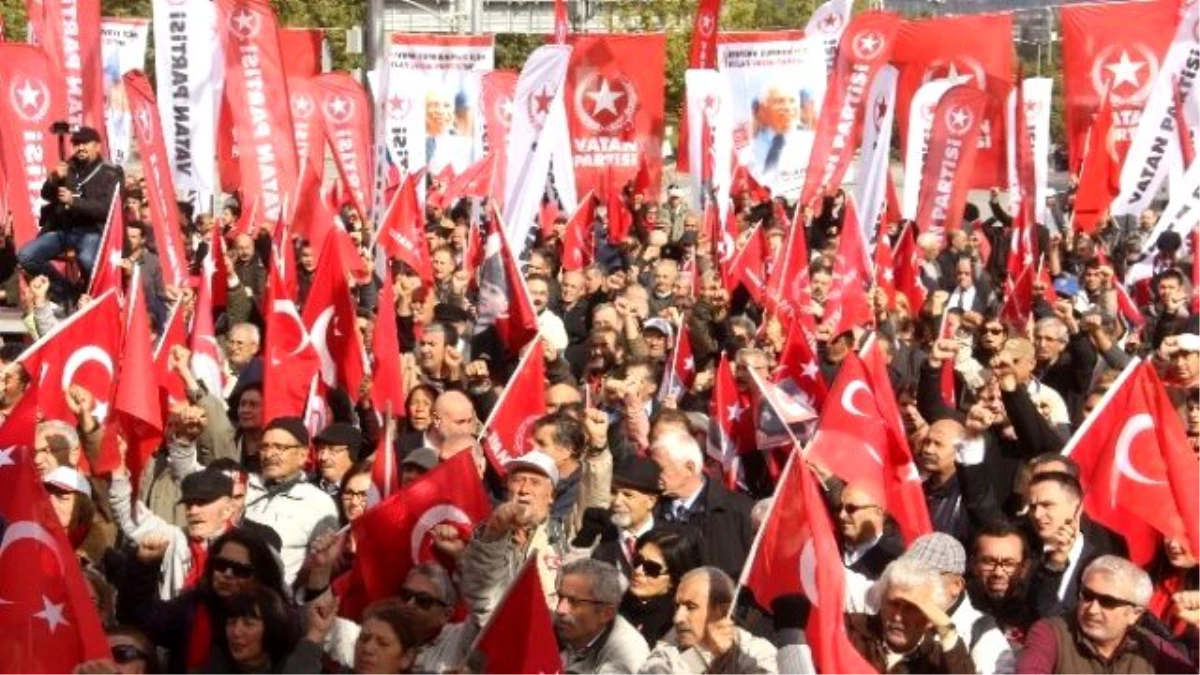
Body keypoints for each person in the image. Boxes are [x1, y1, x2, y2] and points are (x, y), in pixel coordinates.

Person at [119, 527, 296, 675]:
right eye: (220, 565)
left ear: (260, 577)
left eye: (240, 570)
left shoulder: (282, 622)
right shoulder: (191, 607)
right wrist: (144, 566)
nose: (227, 574)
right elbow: (139, 620)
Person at [1017, 555, 1195, 673]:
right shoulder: (1051, 634)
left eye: (1108, 602)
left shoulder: (1152, 648)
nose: (1092, 609)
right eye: (1087, 596)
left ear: (1135, 613)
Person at [19, 126, 122, 303]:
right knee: (27, 256)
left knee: (88, 260)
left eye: (85, 143)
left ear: (97, 146)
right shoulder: (68, 167)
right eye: (76, 144)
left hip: (93, 231)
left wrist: (74, 202)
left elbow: (107, 209)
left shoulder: (111, 173)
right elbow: (46, 195)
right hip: (64, 230)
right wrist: (54, 179)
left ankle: (96, 300)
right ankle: (67, 293)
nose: (80, 148)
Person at [900, 532, 1016, 674]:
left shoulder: (984, 637)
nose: (912, 584)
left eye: (923, 577)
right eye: (906, 575)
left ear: (955, 585)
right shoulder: (895, 616)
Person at [243, 417, 339, 583]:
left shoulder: (319, 504)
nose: (269, 454)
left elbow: (321, 566)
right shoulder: (242, 486)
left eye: (280, 448)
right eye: (264, 447)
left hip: (277, 601)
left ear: (302, 455)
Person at [649, 431, 753, 579]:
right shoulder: (652, 508)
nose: (653, 475)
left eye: (659, 469)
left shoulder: (739, 509)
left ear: (689, 468)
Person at [846, 557, 976, 673]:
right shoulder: (850, 630)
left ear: (931, 616)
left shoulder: (937, 661)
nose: (898, 616)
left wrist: (948, 630)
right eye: (894, 604)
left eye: (911, 608)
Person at [639, 566, 777, 673]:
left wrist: (723, 657)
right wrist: (705, 657)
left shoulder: (757, 653)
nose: (677, 618)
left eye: (691, 607)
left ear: (722, 612)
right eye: (677, 606)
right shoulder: (668, 651)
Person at [555, 558, 651, 672]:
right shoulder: (560, 628)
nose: (560, 609)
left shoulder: (628, 654)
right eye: (560, 597)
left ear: (606, 613)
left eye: (574, 601)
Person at [620, 527, 704, 647]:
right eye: (637, 560)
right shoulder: (615, 602)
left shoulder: (677, 626)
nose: (638, 571)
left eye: (651, 568)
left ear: (674, 579)